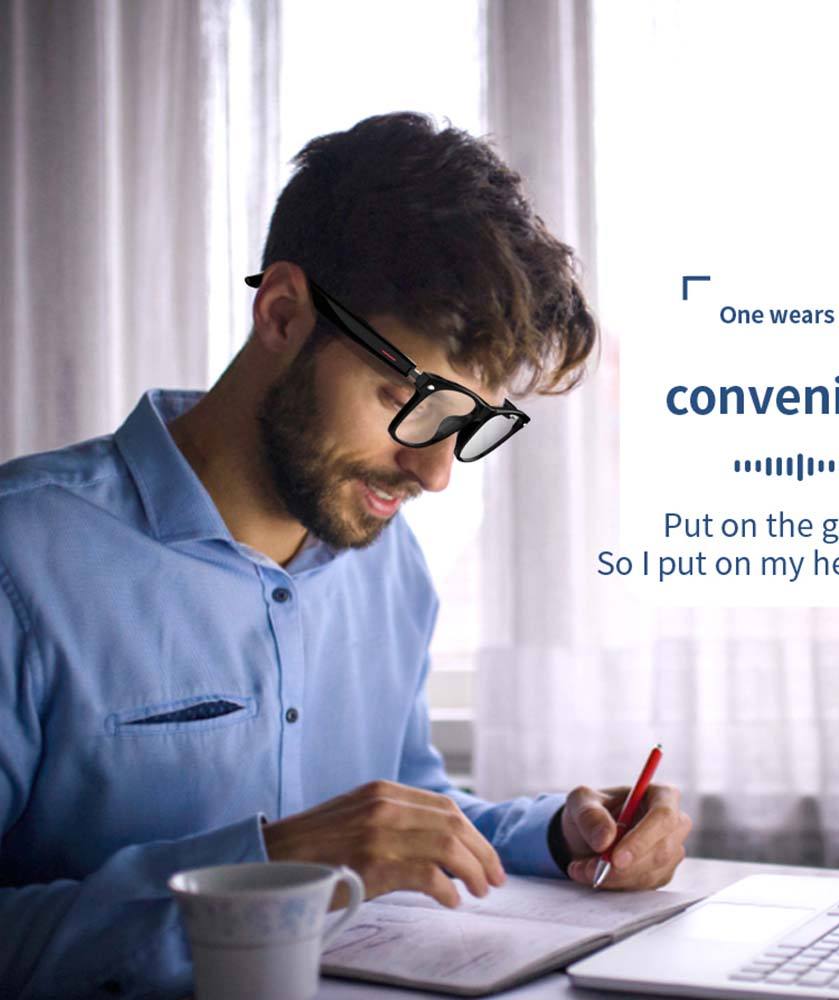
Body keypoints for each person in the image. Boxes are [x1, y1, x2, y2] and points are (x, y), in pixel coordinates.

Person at [0, 112, 691, 999]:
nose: (437, 471)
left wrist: (562, 833)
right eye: (409, 399)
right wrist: (268, 871)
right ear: (283, 314)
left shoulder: (388, 563)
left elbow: (402, 806)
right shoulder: (24, 562)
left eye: (468, 428)